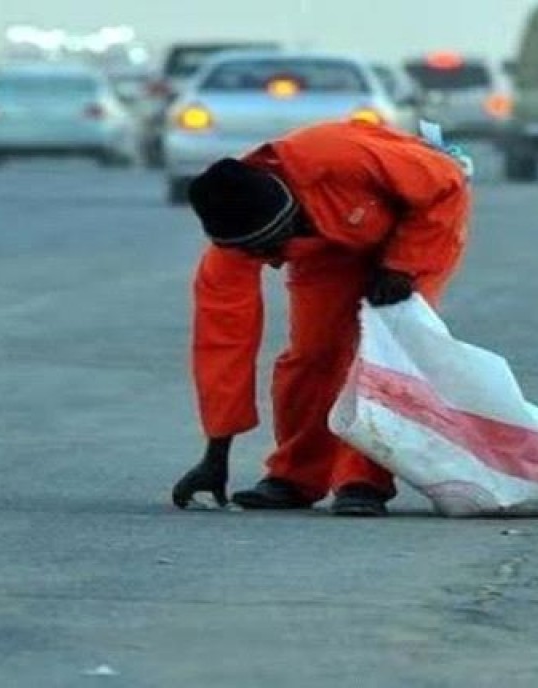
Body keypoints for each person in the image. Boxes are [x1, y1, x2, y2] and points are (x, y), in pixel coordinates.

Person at [171, 119, 472, 516]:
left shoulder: (339, 158)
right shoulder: (232, 248)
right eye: (266, 253)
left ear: (292, 210)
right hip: (326, 250)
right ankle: (294, 476)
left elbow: (447, 184)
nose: (275, 260)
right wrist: (216, 452)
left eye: (279, 243)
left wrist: (403, 265)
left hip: (419, 228)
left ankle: (363, 480)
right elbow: (223, 350)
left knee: (378, 355)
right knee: (311, 355)